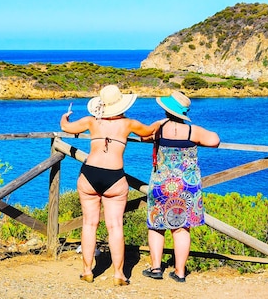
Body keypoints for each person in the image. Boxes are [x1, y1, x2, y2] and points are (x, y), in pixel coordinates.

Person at [60, 84, 158, 286]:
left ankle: (87, 271)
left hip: (89, 173)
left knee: (89, 224)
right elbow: (149, 131)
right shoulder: (128, 124)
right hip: (114, 176)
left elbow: (66, 128)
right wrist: (161, 122)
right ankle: (119, 274)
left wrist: (65, 116)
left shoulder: (90, 121)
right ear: (121, 104)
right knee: (115, 226)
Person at [142, 91, 220, 283]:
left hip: (161, 184)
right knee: (182, 229)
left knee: (156, 226)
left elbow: (144, 136)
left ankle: (156, 268)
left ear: (167, 110)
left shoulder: (159, 129)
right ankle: (180, 272)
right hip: (186, 187)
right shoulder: (194, 131)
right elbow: (215, 140)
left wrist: (159, 124)